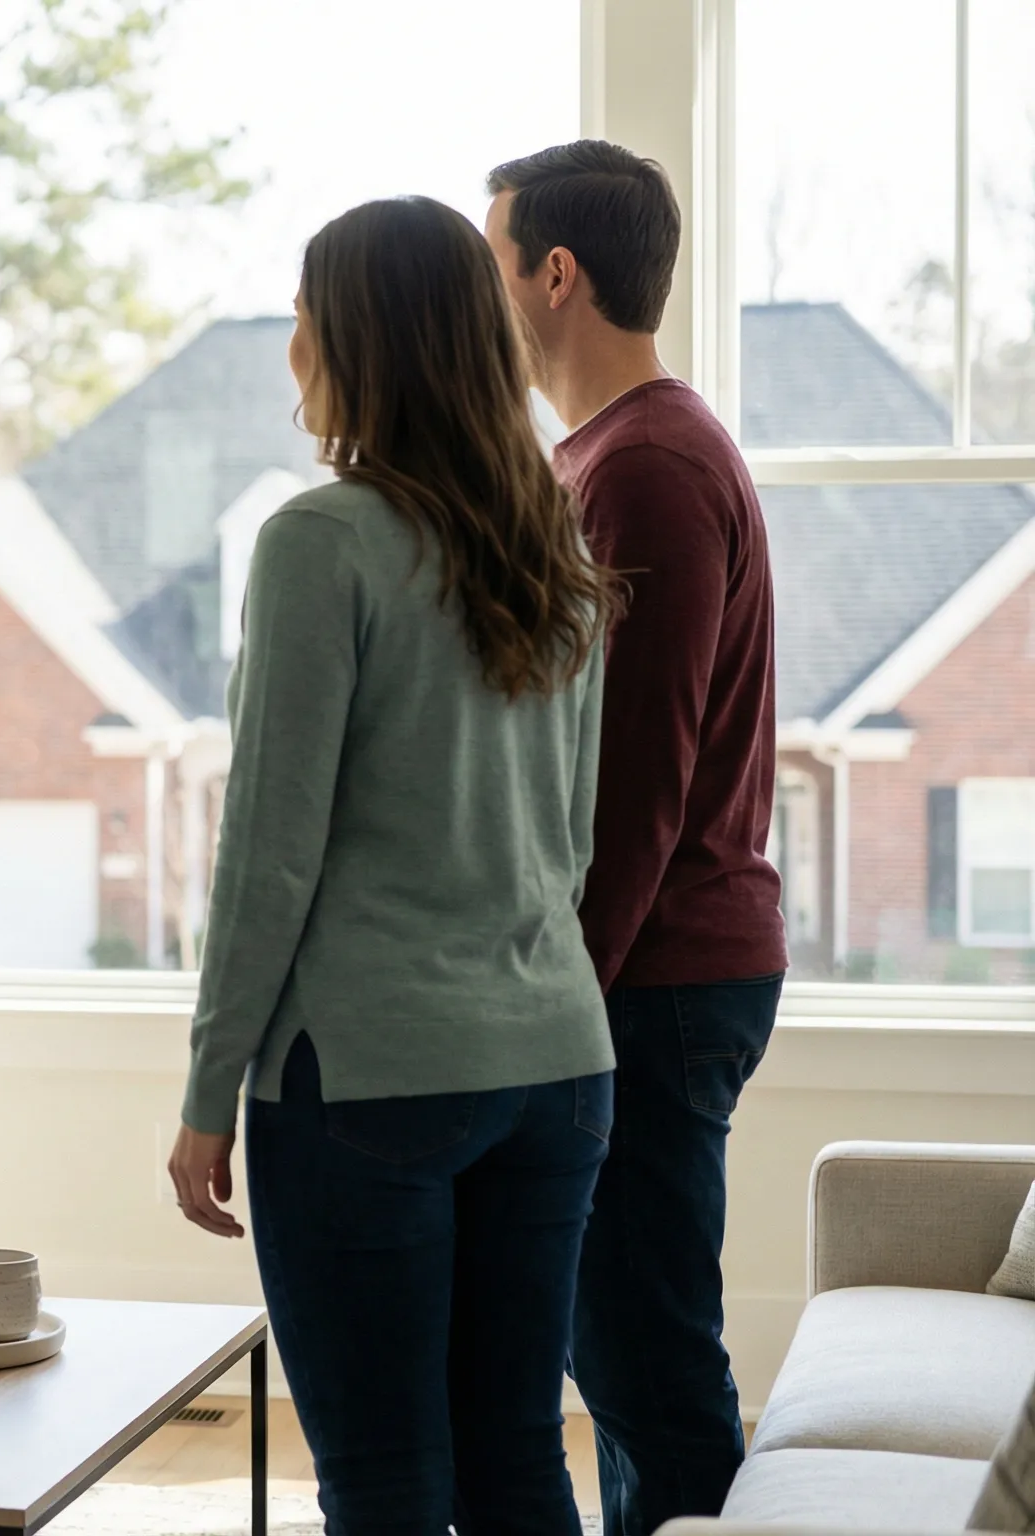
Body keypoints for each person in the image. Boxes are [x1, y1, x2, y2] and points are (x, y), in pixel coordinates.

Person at [165, 197, 620, 1534]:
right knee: (518, 1466)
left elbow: (268, 850)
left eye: (304, 319)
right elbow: (573, 840)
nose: (291, 349)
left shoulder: (321, 542)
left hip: (367, 1084)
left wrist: (206, 1093)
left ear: (362, 342)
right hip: (557, 1067)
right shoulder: (559, 543)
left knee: (383, 1486)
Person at [484, 140, 785, 1536]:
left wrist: (551, 1010)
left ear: (557, 273)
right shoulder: (607, 453)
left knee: (648, 1365)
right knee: (619, 1356)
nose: (485, 293)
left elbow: (634, 783)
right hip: (651, 975)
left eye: (494, 260)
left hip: (652, 980)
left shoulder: (648, 463)